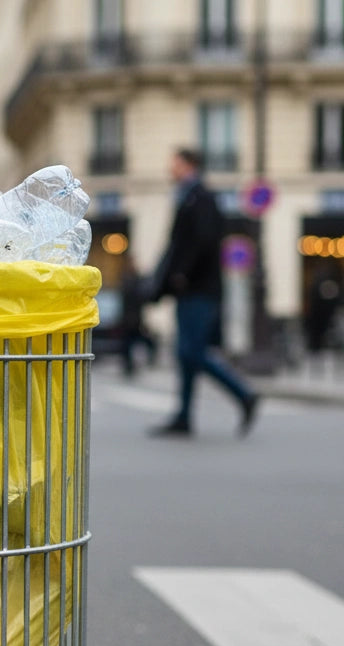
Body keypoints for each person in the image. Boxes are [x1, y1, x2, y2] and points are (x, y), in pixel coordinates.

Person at [147, 148, 260, 437]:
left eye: (174, 163)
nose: (170, 169)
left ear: (188, 164)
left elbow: (200, 242)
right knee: (185, 353)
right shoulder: (190, 196)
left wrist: (182, 275)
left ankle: (244, 393)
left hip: (199, 290)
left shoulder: (201, 197)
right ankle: (184, 416)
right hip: (191, 290)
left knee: (192, 351)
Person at [118, 254, 157, 377]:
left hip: (134, 319)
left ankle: (130, 365)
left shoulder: (133, 279)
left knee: (136, 342)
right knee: (129, 343)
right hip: (130, 319)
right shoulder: (129, 280)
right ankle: (129, 366)